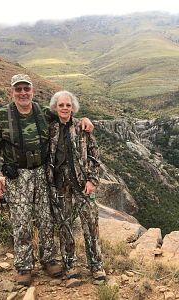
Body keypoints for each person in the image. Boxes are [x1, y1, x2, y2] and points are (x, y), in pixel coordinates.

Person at [0, 74, 94, 286]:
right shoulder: (2, 116)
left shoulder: (43, 113)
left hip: (43, 173)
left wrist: (86, 120)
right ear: (12, 92)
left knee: (46, 219)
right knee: (21, 221)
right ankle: (24, 266)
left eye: (27, 89)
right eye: (19, 89)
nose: (23, 93)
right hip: (18, 176)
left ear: (32, 91)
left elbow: (66, 117)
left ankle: (48, 260)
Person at [47, 90, 106, 281]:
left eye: (68, 105)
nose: (64, 108)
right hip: (60, 186)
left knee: (91, 225)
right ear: (55, 108)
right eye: (61, 105)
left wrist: (92, 180)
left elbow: (94, 157)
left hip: (83, 185)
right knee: (65, 227)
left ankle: (96, 267)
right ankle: (70, 265)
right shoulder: (50, 129)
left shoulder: (82, 127)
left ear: (73, 108)